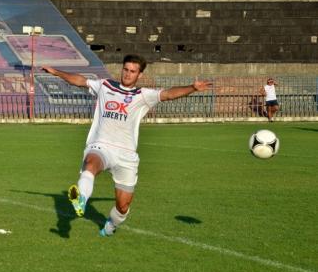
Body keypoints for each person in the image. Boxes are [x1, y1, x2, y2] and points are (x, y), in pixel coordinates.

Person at [41, 54, 212, 237]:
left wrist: (192, 88)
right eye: (126, 69)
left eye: (133, 71)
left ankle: (111, 226)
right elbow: (81, 81)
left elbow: (168, 94)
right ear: (121, 69)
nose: (128, 74)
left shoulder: (143, 95)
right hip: (101, 146)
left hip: (126, 155)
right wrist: (56, 72)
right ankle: (80, 199)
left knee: (122, 207)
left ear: (139, 75)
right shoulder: (105, 86)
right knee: (90, 164)